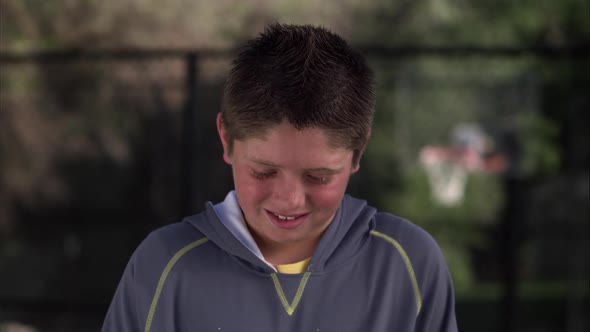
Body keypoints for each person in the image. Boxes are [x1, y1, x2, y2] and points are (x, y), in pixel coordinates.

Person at [102, 23, 458, 332]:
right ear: (226, 139)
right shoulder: (163, 265)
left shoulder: (407, 262)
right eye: (264, 172)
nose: (289, 199)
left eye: (318, 177)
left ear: (358, 151)